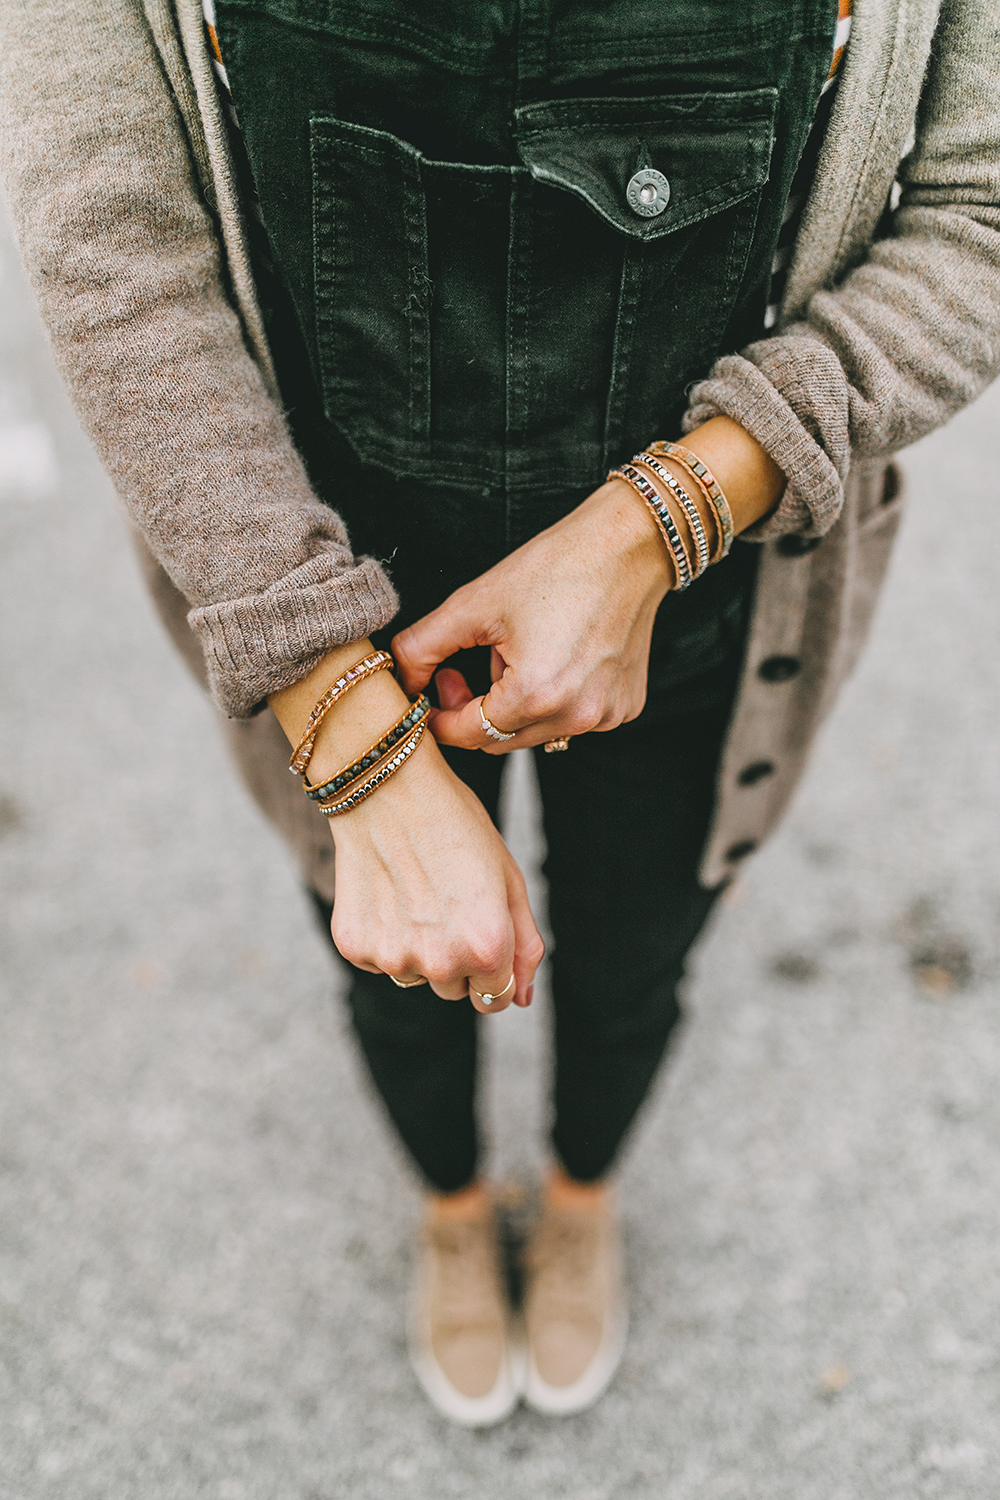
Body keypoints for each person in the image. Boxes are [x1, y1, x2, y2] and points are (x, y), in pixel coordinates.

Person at [2, 0, 998, 1427]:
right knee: (384, 957)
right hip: (330, 572)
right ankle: (456, 1210)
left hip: (704, 594)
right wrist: (334, 704)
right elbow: (111, 232)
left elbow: (980, 207)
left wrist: (660, 525)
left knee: (639, 946)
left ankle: (583, 1196)